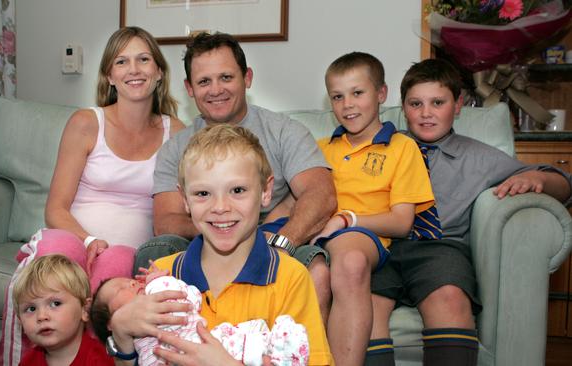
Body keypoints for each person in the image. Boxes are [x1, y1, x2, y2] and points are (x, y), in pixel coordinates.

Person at [0, 26, 185, 366]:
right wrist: (89, 240)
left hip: (125, 250)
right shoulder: (86, 122)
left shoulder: (177, 132)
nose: (134, 69)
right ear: (110, 76)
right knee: (58, 253)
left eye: (143, 59)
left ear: (158, 71)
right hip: (73, 235)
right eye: (122, 61)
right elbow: (56, 208)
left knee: (115, 269)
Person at [366, 58, 572, 366]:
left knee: (449, 297)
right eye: (415, 103)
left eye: (438, 102)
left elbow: (564, 184)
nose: (426, 113)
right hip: (381, 245)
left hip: (440, 249)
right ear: (403, 106)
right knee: (363, 306)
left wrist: (538, 178)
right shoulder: (383, 148)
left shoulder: (480, 156)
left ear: (458, 104)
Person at [136, 32, 337, 321]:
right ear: (189, 88)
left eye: (226, 77)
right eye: (204, 81)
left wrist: (281, 241)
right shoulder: (176, 148)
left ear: (247, 78)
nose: (216, 89)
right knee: (155, 250)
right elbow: (166, 220)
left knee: (316, 269)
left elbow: (322, 194)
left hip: (273, 240)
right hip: (201, 244)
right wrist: (224, 227)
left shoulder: (283, 131)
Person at [108, 124, 332, 365]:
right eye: (203, 194)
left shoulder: (290, 278)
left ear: (266, 191)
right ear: (184, 199)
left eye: (237, 190)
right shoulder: (162, 276)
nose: (221, 207)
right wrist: (122, 338)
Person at [307, 52, 435, 366]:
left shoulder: (402, 147)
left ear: (381, 94)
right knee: (308, 270)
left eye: (357, 93)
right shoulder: (320, 147)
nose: (347, 104)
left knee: (350, 260)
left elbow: (403, 222)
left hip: (365, 236)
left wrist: (347, 219)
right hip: (315, 234)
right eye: (337, 96)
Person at [90, 272, 310, 366]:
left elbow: (184, 300)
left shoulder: (163, 279)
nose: (131, 283)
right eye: (120, 288)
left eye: (129, 280)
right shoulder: (166, 265)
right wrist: (120, 333)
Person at [12, 254, 114, 366]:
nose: (41, 316)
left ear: (85, 309)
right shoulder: (27, 362)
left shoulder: (101, 360)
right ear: (21, 322)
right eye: (31, 309)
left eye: (55, 303)